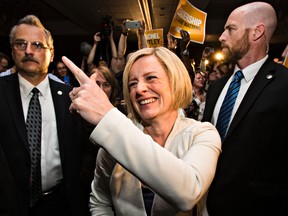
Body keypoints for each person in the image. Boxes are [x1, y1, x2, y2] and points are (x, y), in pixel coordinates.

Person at [62, 46, 221, 215]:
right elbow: (100, 201)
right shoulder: (111, 142)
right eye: (132, 83)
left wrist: (107, 116)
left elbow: (188, 194)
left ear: (175, 81)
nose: (139, 89)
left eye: (151, 78)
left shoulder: (202, 133)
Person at [0, 14, 92, 216]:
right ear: (12, 51)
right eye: (21, 44)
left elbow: (88, 147)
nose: (29, 51)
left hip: (61, 204)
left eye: (38, 45)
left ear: (51, 54)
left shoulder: (70, 97)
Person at [202, 2, 288, 215]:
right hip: (209, 204)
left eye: (230, 29)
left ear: (257, 32)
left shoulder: (284, 85)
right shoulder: (216, 88)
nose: (221, 37)